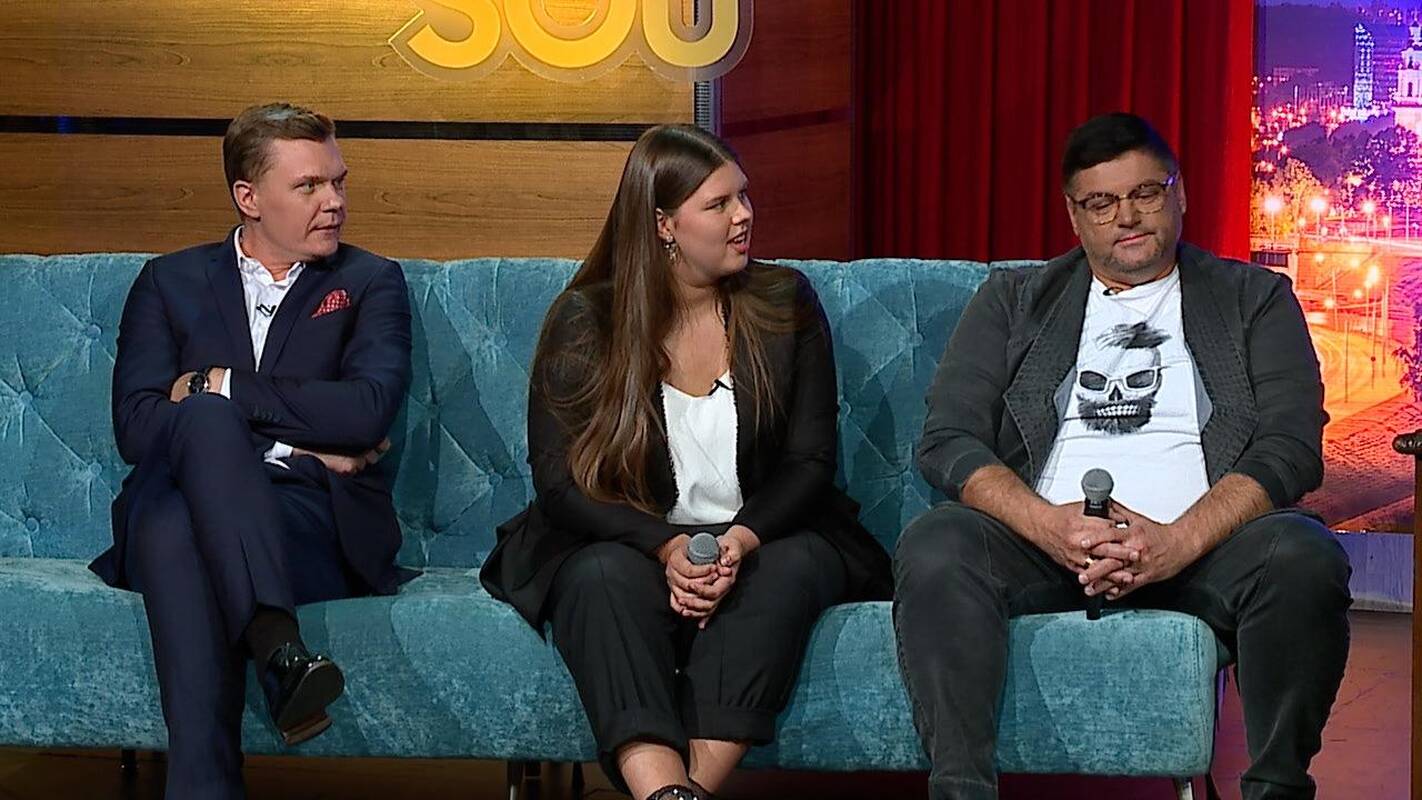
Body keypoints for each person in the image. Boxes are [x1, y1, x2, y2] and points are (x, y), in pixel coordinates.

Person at [892, 112, 1352, 800]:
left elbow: (1292, 446)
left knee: (1303, 554)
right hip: (1049, 546)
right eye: (1102, 203)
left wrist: (1176, 541)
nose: (1127, 217)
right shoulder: (1013, 301)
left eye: (1144, 193)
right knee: (937, 543)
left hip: (1201, 548)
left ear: (1179, 193)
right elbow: (947, 439)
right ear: (1074, 215)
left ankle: (1275, 790)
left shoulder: (1254, 298)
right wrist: (1051, 527)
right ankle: (962, 791)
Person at [480, 124, 892, 800]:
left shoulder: (784, 302)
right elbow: (560, 484)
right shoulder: (587, 320)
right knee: (599, 579)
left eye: (744, 197)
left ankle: (675, 795)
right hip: (629, 542)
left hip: (764, 534)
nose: (743, 215)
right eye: (719, 204)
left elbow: (809, 462)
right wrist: (667, 547)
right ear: (663, 224)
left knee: (788, 568)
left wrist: (738, 542)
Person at [90, 102, 414, 800]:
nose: (335, 202)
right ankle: (277, 647)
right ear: (249, 197)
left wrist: (223, 385)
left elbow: (366, 410)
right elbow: (137, 427)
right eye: (309, 186)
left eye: (338, 181)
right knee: (197, 449)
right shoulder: (168, 282)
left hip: (304, 520)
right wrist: (294, 440)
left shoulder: (369, 282)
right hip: (200, 493)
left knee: (181, 521)